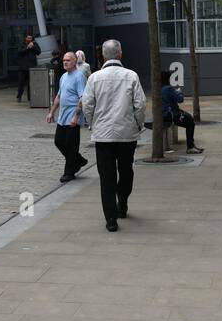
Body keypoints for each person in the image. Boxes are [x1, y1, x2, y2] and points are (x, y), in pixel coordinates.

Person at [79, 39, 144, 232]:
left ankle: (111, 219)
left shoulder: (94, 78)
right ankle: (122, 202)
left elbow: (87, 104)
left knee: (106, 177)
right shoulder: (131, 76)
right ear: (120, 54)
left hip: (103, 136)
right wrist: (138, 124)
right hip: (127, 134)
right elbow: (140, 104)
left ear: (103, 56)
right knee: (126, 171)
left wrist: (93, 124)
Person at [46, 51, 88, 182]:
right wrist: (51, 112)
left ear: (75, 61)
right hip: (63, 116)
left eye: (68, 60)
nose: (65, 62)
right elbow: (59, 96)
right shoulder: (63, 76)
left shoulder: (79, 76)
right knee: (59, 141)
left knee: (71, 145)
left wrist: (76, 116)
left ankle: (69, 172)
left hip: (73, 116)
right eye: (64, 60)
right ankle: (78, 160)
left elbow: (82, 98)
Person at [161, 70, 203, 153]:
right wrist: (179, 92)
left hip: (164, 114)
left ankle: (191, 145)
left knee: (188, 117)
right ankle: (190, 147)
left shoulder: (159, 88)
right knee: (190, 122)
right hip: (171, 115)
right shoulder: (168, 89)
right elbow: (180, 99)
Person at [15, 33, 40, 102]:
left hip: (31, 67)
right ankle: (19, 96)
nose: (29, 39)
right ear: (25, 38)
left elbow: (38, 52)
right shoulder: (22, 44)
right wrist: (28, 48)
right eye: (28, 38)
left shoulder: (34, 44)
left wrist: (33, 47)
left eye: (30, 38)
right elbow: (20, 52)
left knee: (31, 83)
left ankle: (30, 97)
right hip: (22, 68)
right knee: (21, 83)